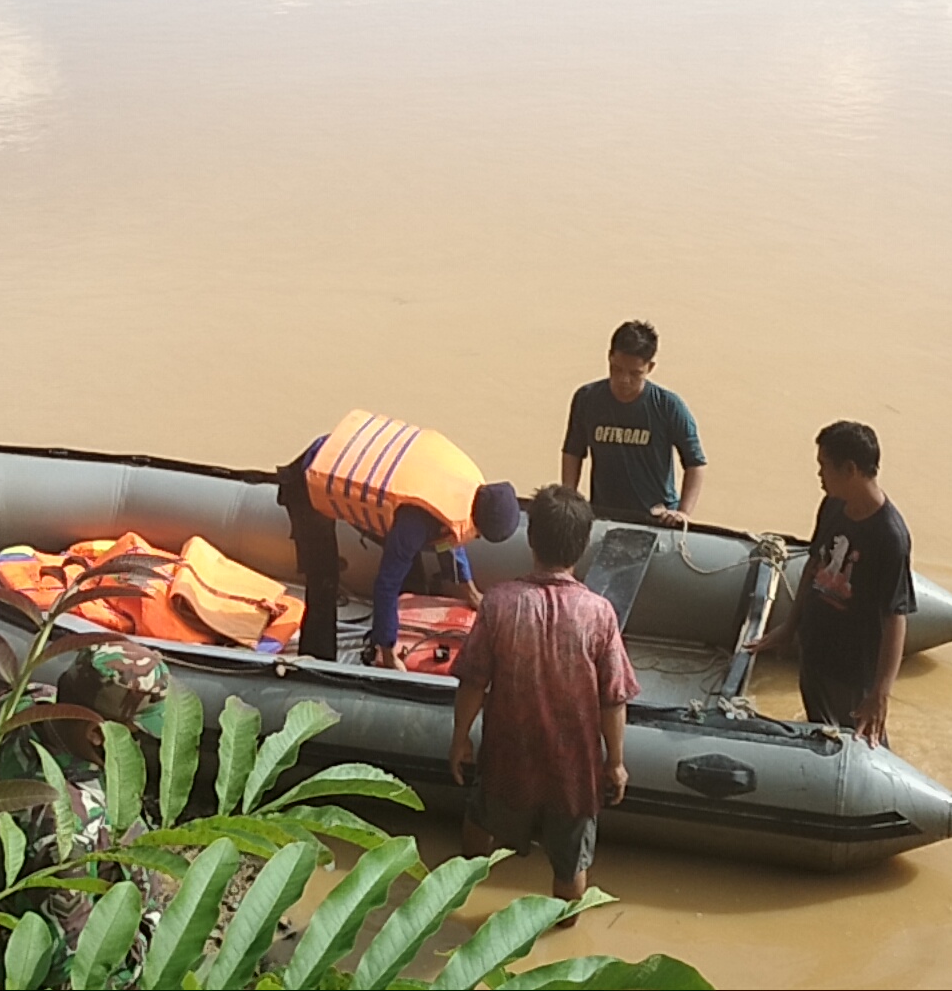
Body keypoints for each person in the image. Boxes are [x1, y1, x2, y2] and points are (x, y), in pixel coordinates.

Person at [448, 484, 639, 920]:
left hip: (507, 756)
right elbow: (614, 697)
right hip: (572, 770)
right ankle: (561, 937)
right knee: (571, 863)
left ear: (531, 538)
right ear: (583, 545)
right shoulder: (599, 613)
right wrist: (615, 761)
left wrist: (460, 739)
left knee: (479, 822)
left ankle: (457, 897)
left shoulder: (499, 603)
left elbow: (473, 682)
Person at [0, 642, 171, 989]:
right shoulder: (70, 835)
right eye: (137, 737)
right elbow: (74, 967)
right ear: (96, 733)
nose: (142, 746)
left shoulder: (24, 709)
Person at [276, 410, 522, 668]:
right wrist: (389, 653)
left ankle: (398, 629)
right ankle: (318, 663)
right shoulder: (416, 522)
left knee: (410, 569)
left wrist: (470, 592)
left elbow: (451, 538)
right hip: (312, 477)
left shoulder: (466, 490)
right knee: (324, 580)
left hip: (356, 455)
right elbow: (386, 584)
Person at [753, 421, 915, 746]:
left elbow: (895, 616)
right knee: (821, 732)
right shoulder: (833, 506)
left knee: (864, 742)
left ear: (850, 469)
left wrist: (881, 692)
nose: (819, 475)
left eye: (824, 466)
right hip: (815, 650)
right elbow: (815, 565)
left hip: (852, 669)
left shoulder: (889, 536)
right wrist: (790, 627)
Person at [560, 320, 707, 525]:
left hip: (657, 517)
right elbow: (573, 451)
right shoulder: (587, 399)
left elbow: (695, 463)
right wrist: (568, 499)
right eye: (617, 369)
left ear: (650, 367)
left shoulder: (668, 406)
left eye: (634, 373)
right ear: (609, 357)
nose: (624, 380)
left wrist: (683, 513)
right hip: (604, 514)